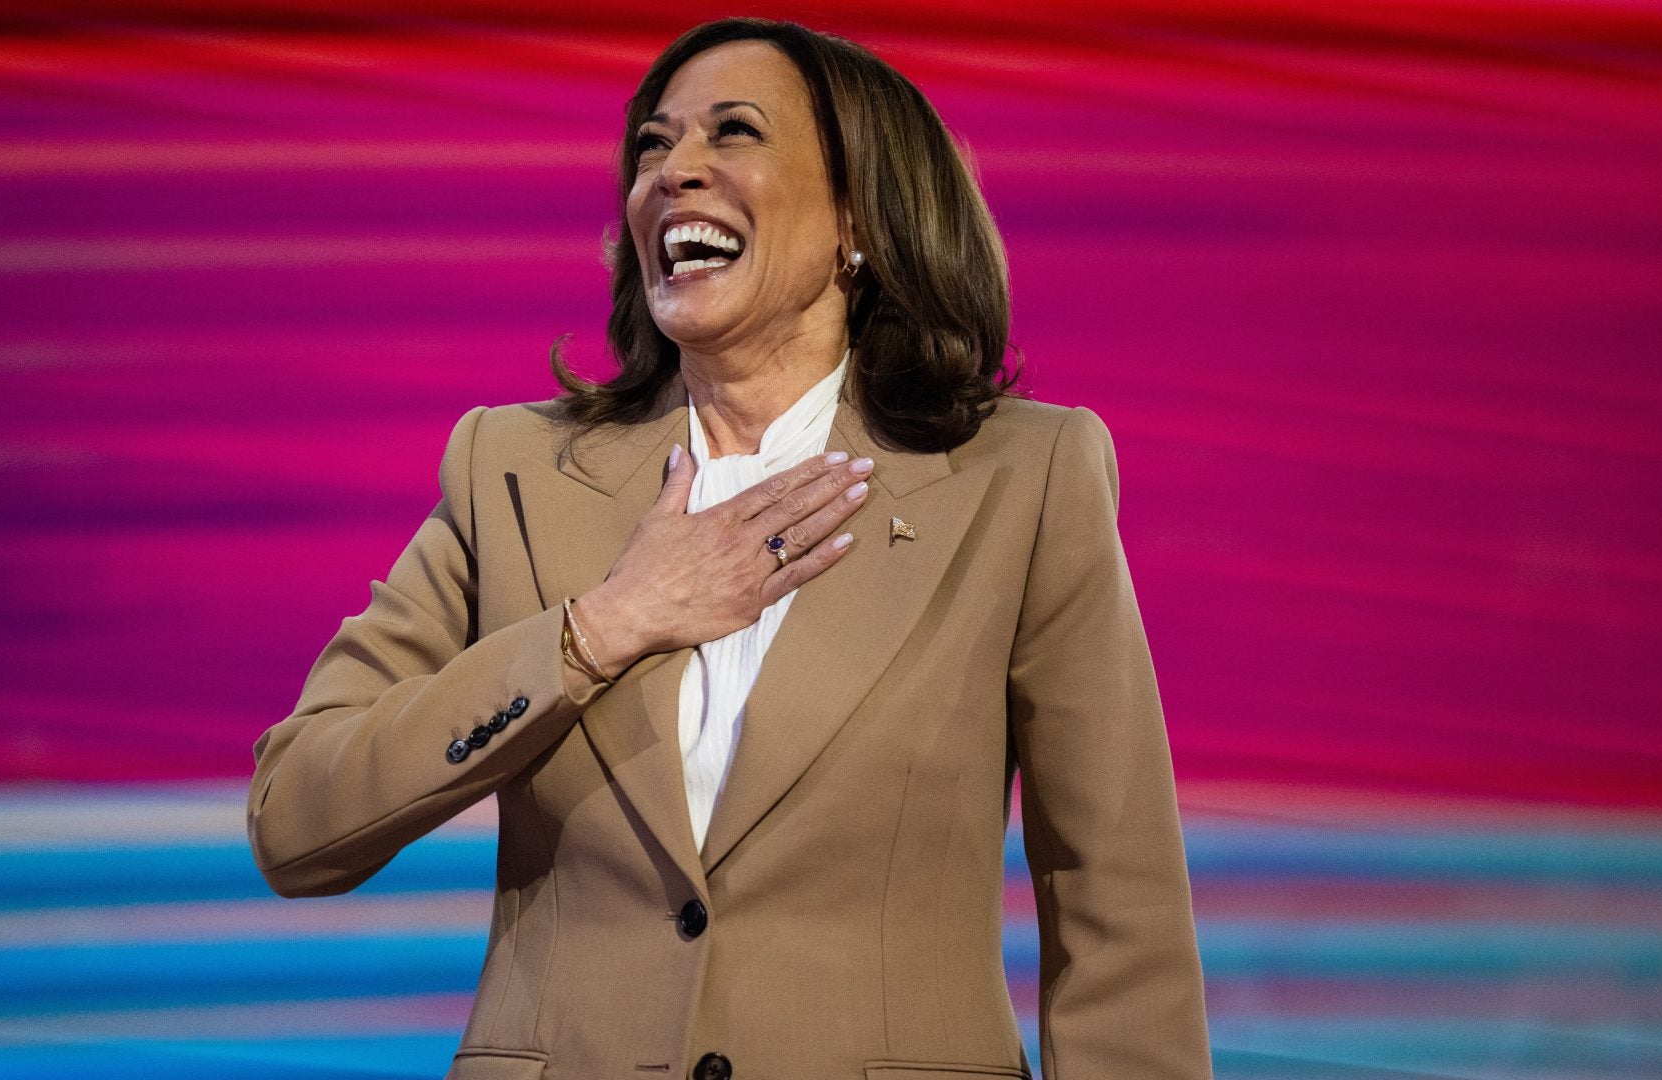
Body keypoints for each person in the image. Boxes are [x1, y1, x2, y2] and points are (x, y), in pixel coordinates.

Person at [247, 16, 1210, 1080]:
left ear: (857, 217)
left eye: (731, 134)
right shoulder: (510, 471)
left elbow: (1118, 914)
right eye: (654, 148)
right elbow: (297, 819)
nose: (675, 174)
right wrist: (600, 629)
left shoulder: (1023, 479)